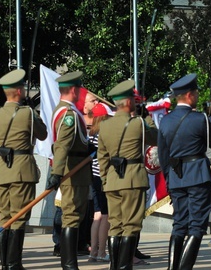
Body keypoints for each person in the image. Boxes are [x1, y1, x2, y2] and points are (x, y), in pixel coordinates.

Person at [157, 73, 211, 270]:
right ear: (189, 95)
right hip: (197, 175)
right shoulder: (200, 118)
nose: (197, 95)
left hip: (176, 177)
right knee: (196, 226)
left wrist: (170, 181)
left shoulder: (166, 121)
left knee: (179, 224)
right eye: (195, 92)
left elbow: (163, 155)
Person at [0, 69, 48, 270]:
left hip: (3, 170)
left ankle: (5, 263)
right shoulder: (27, 113)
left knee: (4, 216)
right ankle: (13, 263)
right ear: (20, 91)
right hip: (22, 170)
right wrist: (32, 113)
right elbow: (43, 134)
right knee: (19, 216)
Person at [97, 80, 157, 270]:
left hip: (113, 180)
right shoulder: (138, 123)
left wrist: (106, 180)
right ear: (129, 102)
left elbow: (102, 157)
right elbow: (155, 138)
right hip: (132, 179)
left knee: (115, 226)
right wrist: (146, 117)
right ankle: (125, 267)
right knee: (131, 226)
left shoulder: (104, 126)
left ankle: (115, 266)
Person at [46, 70, 92, 270]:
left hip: (76, 168)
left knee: (74, 216)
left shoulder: (65, 110)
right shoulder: (69, 115)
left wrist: (87, 146)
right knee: (72, 216)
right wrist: (57, 173)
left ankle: (70, 261)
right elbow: (62, 145)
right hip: (74, 171)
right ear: (74, 90)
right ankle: (69, 263)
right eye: (80, 89)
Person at [87, 103, 110, 263]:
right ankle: (102, 251)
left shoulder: (91, 134)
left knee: (97, 215)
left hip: (94, 177)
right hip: (103, 177)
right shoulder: (104, 133)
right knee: (105, 216)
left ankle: (93, 251)